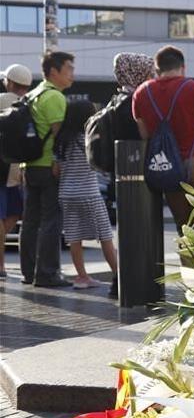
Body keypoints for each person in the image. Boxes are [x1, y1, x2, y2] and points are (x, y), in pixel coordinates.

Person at [132, 46, 194, 231]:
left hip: (168, 166)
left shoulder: (141, 93)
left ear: (156, 69)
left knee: (186, 229)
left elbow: (145, 134)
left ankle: (189, 260)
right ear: (183, 67)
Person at [20, 51, 74, 288]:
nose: (72, 74)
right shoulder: (54, 97)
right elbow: (58, 134)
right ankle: (47, 274)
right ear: (54, 71)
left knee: (30, 221)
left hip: (29, 165)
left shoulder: (33, 94)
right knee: (51, 220)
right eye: (69, 69)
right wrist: (58, 160)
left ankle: (29, 271)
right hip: (48, 167)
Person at [53, 100, 118, 289]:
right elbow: (98, 163)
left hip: (66, 194)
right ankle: (118, 273)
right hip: (89, 193)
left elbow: (56, 171)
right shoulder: (88, 139)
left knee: (74, 237)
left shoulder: (61, 141)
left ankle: (82, 277)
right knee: (105, 235)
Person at [0, 63, 33, 279]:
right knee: (14, 213)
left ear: (9, 82)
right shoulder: (29, 104)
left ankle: (0, 266)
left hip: (2, 168)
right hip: (18, 168)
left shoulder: (2, 99)